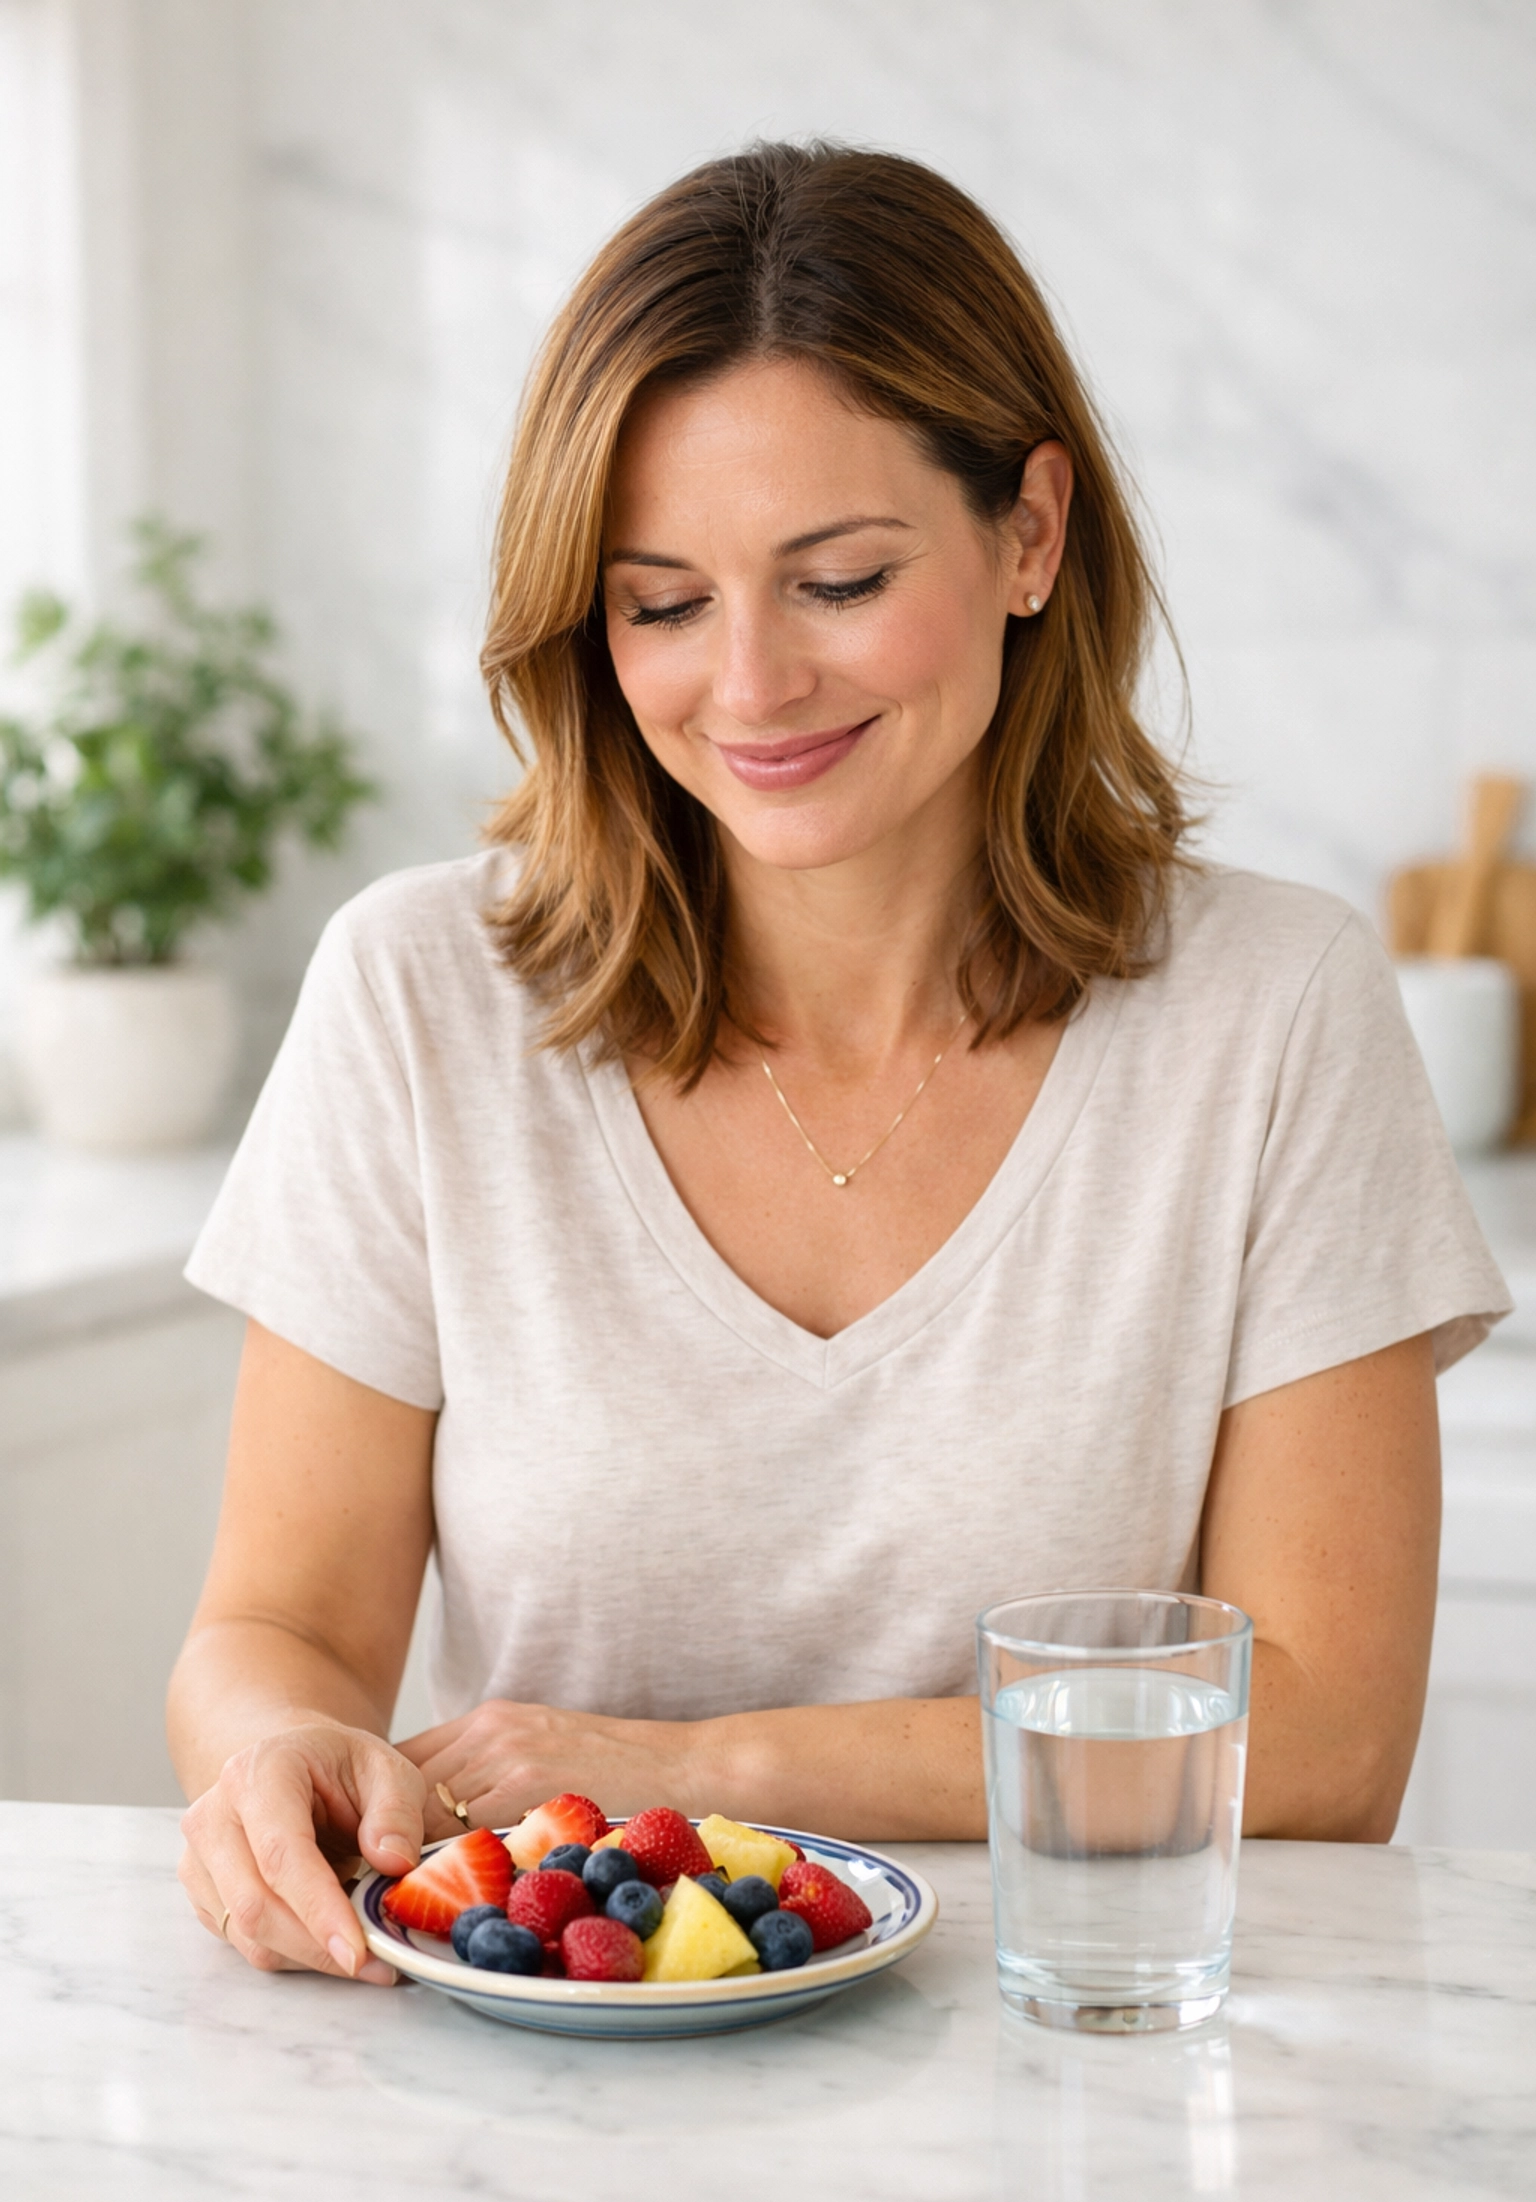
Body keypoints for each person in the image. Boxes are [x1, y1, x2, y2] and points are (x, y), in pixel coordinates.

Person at [169, 141, 1508, 1984]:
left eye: (841, 578)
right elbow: (278, 1631)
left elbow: (1330, 1740)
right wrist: (271, 1754)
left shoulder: (1274, 1014)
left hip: (1088, 2076)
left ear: (1032, 532)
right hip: (553, 2099)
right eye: (661, 602)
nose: (751, 686)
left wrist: (694, 1775)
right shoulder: (418, 995)